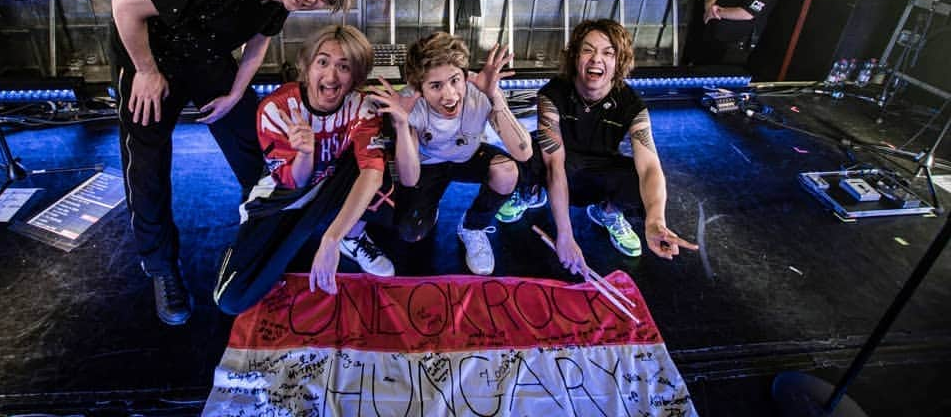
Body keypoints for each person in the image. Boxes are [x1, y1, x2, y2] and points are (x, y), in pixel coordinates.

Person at [111, 0, 361, 326]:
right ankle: (160, 266)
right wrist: (145, 71)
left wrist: (235, 93)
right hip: (146, 48)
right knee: (147, 162)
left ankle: (264, 238)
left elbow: (260, 40)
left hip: (203, 52)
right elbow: (125, 6)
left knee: (255, 145)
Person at [214, 25, 395, 315]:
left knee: (385, 160)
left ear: (356, 77)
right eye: (322, 62)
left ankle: (351, 237)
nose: (331, 76)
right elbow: (295, 181)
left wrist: (331, 239)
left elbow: (372, 172)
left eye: (344, 66)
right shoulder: (277, 109)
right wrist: (305, 152)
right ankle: (253, 247)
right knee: (231, 299)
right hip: (283, 200)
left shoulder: (361, 106)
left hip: (328, 188)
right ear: (307, 66)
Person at [497, 19, 698, 268]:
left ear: (619, 61)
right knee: (523, 156)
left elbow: (649, 167)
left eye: (608, 52)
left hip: (600, 171)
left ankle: (608, 212)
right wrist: (565, 235)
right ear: (574, 57)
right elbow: (554, 167)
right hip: (560, 167)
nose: (596, 59)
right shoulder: (553, 94)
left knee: (641, 180)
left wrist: (655, 221)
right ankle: (532, 193)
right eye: (588, 50)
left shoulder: (631, 104)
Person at [386, 34, 532, 275]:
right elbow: (409, 179)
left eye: (455, 80)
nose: (449, 95)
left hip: (469, 155)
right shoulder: (410, 104)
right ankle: (431, 207)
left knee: (507, 171)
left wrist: (495, 97)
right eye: (435, 86)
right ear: (419, 89)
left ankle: (473, 227)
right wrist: (402, 124)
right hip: (429, 163)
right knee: (411, 233)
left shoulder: (481, 92)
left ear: (465, 76)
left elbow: (523, 152)